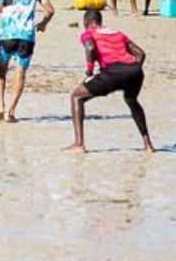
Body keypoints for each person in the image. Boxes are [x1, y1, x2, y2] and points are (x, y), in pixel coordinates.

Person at [62, 9, 154, 154]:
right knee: (132, 101)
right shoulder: (117, 33)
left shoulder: (88, 33)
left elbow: (90, 48)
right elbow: (141, 54)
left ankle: (79, 144)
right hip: (135, 71)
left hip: (114, 71)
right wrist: (131, 72)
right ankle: (148, 145)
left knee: (76, 97)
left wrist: (89, 71)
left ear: (86, 22)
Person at [0, 0, 53, 122]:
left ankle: (0, 106)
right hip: (26, 36)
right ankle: (11, 111)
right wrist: (43, 24)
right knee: (20, 72)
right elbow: (50, 10)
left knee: (2, 69)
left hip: (8, 34)